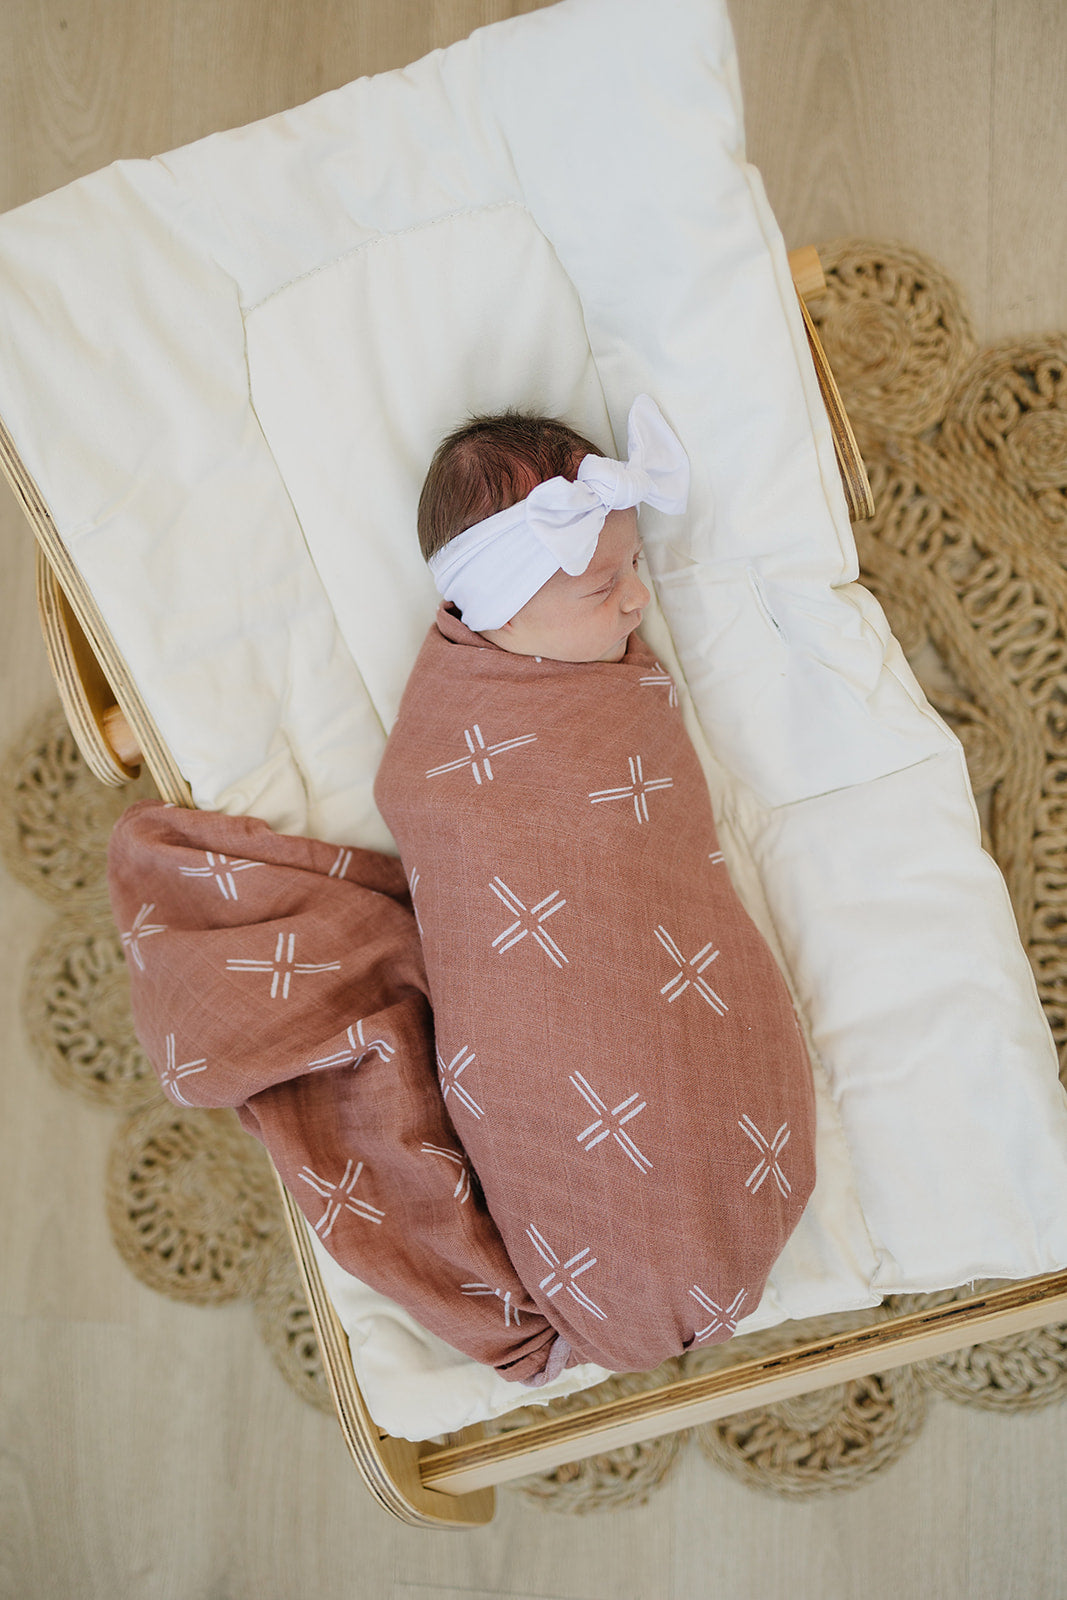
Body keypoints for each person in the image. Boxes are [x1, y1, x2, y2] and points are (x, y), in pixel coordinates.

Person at [373, 396, 816, 1374]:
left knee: (670, 1062)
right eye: (601, 585)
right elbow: (433, 813)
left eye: (635, 567)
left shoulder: (607, 686)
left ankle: (678, 1233)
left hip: (660, 969)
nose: (636, 601)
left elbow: (656, 858)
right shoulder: (449, 747)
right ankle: (628, 1248)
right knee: (562, 1063)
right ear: (500, 609)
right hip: (531, 1010)